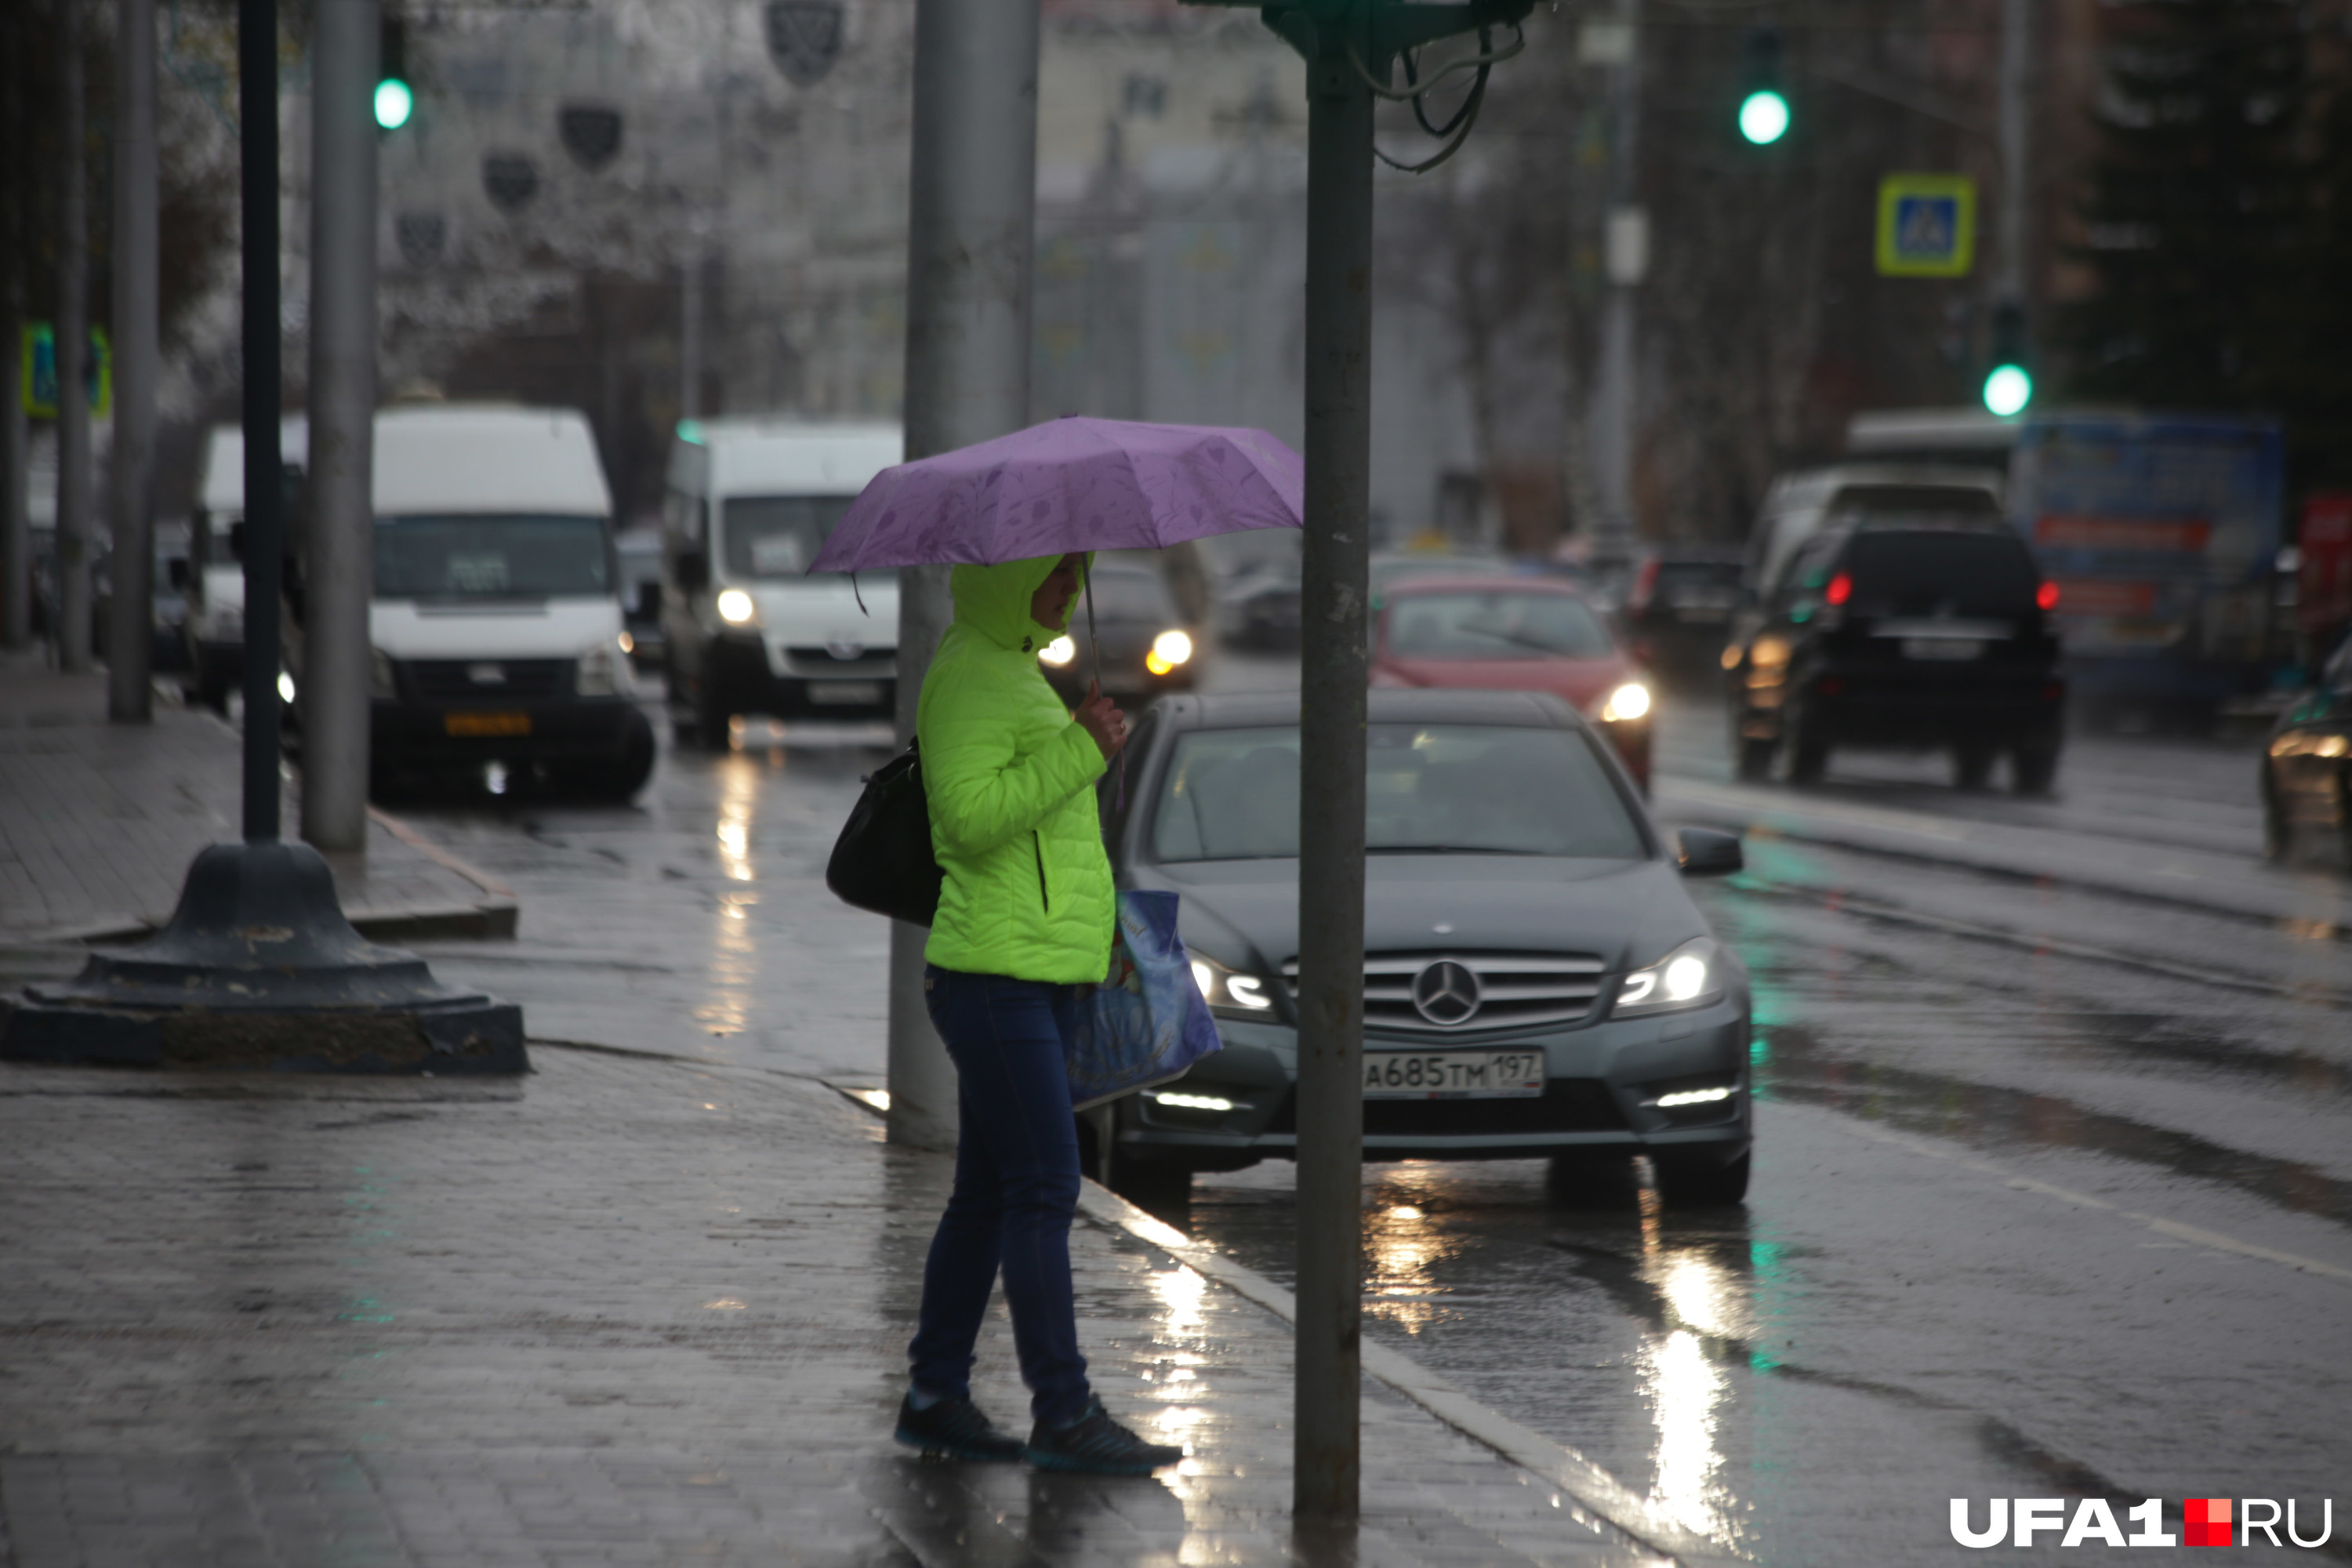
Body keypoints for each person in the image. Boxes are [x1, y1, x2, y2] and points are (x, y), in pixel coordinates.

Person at [893, 551, 1185, 1476]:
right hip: (993, 980)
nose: (1068, 589)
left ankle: (935, 1397)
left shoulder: (1013, 665)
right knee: (1046, 1188)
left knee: (988, 1194)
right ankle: (1063, 1410)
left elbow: (1045, 835)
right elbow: (970, 818)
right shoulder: (975, 670)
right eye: (1054, 574)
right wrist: (1079, 749)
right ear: (1005, 575)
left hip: (1027, 974)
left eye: (1074, 573)